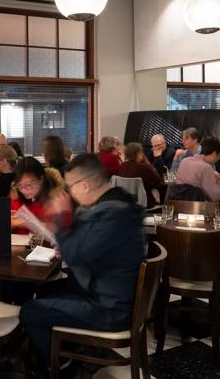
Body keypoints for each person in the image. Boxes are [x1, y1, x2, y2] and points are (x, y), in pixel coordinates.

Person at [19, 153, 146, 368]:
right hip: (110, 292)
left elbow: (75, 254)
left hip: (109, 308)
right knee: (45, 290)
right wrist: (69, 241)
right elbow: (84, 247)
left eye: (71, 187)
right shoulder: (119, 202)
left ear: (85, 185)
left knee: (29, 310)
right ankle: (66, 347)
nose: (70, 192)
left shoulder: (111, 214)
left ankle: (60, 365)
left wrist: (62, 218)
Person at [10, 156, 64, 235]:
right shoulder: (15, 199)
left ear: (41, 179)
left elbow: (61, 233)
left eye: (28, 185)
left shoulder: (57, 200)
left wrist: (29, 223)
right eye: (19, 186)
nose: (24, 190)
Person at [174, 136, 220, 202]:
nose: (218, 159)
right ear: (214, 154)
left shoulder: (184, 161)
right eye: (218, 156)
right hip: (196, 208)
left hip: (177, 206)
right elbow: (215, 197)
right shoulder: (206, 167)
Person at [118, 142, 163, 208]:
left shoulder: (122, 166)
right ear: (138, 153)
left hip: (127, 203)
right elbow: (160, 183)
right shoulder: (144, 167)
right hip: (145, 203)